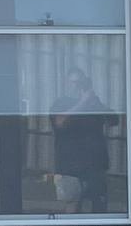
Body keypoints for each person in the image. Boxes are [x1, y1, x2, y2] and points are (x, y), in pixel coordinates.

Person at [49, 64, 115, 213]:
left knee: (99, 207)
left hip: (95, 167)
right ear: (67, 83)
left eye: (80, 83)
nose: (77, 87)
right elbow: (58, 122)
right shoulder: (60, 103)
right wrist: (81, 103)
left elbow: (113, 120)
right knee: (71, 207)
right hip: (70, 168)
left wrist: (96, 103)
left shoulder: (92, 104)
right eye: (74, 82)